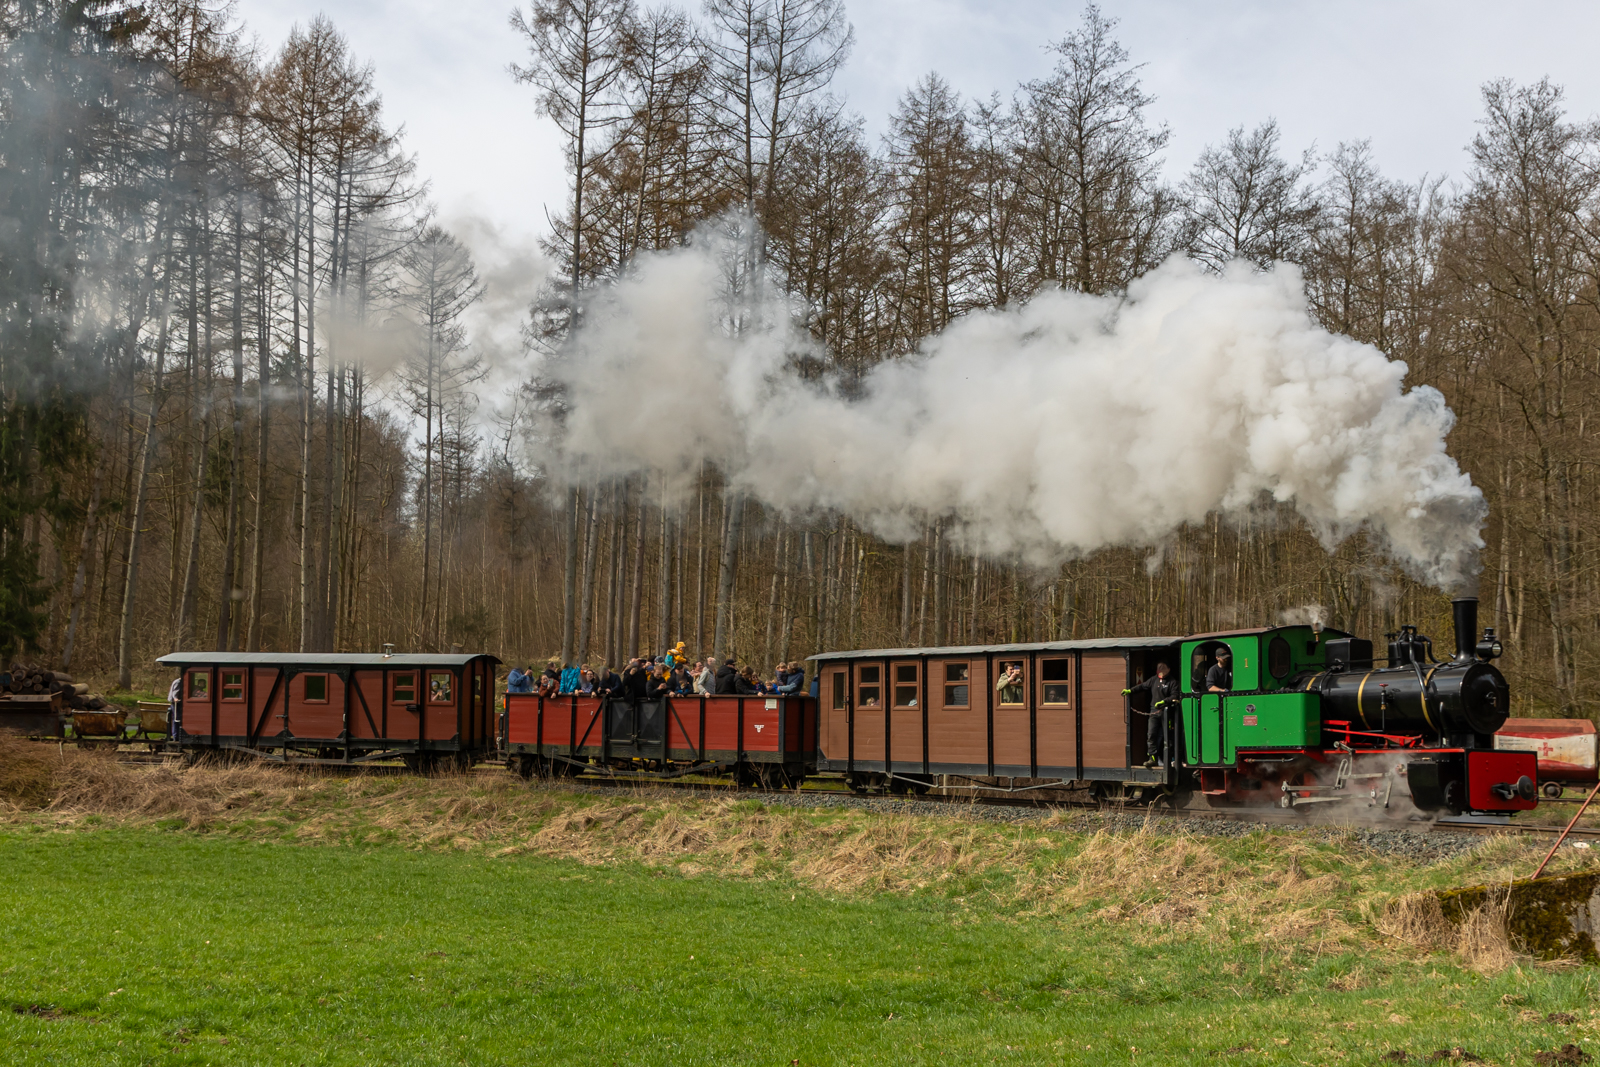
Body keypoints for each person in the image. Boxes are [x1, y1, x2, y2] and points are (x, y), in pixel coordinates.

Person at [1123, 662, 1180, 768]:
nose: (1161, 673)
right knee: (1151, 735)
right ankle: (1152, 758)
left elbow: (1175, 695)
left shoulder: (1172, 682)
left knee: (1167, 737)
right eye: (1159, 670)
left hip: (1166, 712)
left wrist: (1164, 701)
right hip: (1154, 712)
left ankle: (1170, 759)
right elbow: (1142, 686)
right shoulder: (1154, 680)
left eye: (1163, 670)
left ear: (1168, 670)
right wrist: (1130, 690)